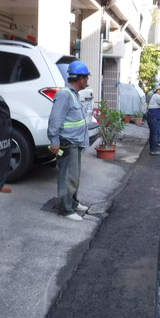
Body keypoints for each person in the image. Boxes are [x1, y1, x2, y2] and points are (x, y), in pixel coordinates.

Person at [47, 60, 90, 221]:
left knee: (74, 175)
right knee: (67, 176)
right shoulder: (64, 94)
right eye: (86, 77)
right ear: (80, 79)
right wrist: (54, 140)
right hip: (67, 142)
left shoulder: (73, 94)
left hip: (75, 142)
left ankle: (73, 202)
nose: (87, 81)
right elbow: (55, 119)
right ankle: (65, 209)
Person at [147, 85, 160, 155]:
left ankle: (153, 147)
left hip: (153, 116)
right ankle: (153, 150)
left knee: (153, 133)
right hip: (153, 117)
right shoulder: (156, 96)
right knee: (154, 133)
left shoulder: (156, 96)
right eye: (159, 89)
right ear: (156, 90)